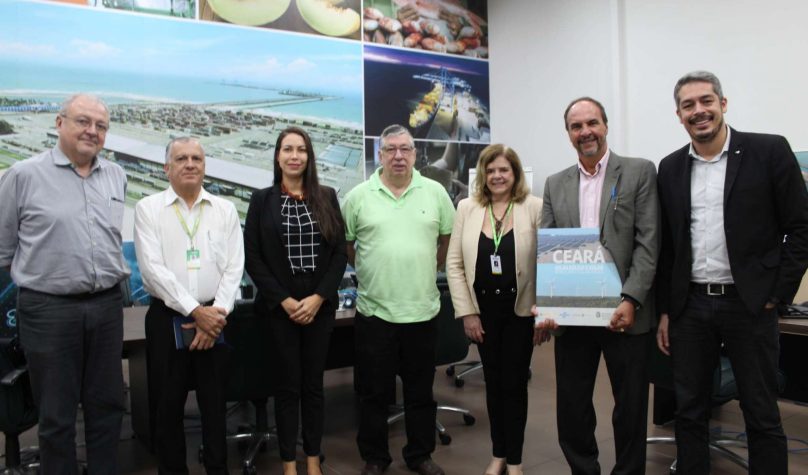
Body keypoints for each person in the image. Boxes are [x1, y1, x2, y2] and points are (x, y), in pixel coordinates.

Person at [655, 71, 808, 475]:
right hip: (691, 307)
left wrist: (777, 293)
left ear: (723, 104)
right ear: (679, 115)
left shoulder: (768, 151)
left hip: (750, 305)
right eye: (689, 105)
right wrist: (668, 310)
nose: (698, 111)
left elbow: (801, 227)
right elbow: (669, 247)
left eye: (706, 100)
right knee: (689, 410)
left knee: (760, 410)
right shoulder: (670, 168)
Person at [0, 93, 128, 474]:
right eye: (83, 121)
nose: (92, 131)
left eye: (100, 126)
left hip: (106, 307)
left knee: (107, 407)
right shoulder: (23, 175)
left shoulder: (116, 176)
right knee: (56, 416)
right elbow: (4, 249)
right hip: (48, 310)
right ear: (60, 123)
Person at [537, 97, 659, 475]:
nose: (585, 131)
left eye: (592, 123)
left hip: (626, 312)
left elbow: (648, 241)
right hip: (574, 314)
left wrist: (632, 298)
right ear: (569, 134)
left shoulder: (639, 172)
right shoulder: (556, 184)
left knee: (631, 405)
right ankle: (583, 470)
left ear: (605, 126)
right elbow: (549, 247)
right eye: (576, 126)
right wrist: (548, 306)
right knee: (572, 406)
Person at [342, 124, 455, 475]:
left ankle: (420, 454)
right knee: (373, 393)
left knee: (421, 392)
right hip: (375, 313)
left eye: (405, 149)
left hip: (421, 312)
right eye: (390, 149)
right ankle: (375, 458)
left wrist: (419, 266)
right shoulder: (358, 196)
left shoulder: (435, 192)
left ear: (415, 152)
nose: (398, 156)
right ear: (380, 155)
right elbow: (349, 249)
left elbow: (445, 243)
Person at [134, 137, 244, 474]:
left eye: (196, 158)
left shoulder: (224, 210)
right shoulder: (148, 208)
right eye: (181, 158)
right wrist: (195, 312)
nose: (190, 164)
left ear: (205, 166)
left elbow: (234, 268)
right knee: (167, 410)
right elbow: (152, 270)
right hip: (169, 319)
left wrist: (215, 315)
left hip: (216, 319)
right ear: (167, 168)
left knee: (215, 408)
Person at [243, 126, 346, 475]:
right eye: (287, 149)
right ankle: (289, 464)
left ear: (309, 156)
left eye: (301, 150)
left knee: (313, 387)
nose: (294, 156)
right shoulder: (262, 201)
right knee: (287, 388)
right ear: (277, 156)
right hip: (279, 308)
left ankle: (313, 461)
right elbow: (253, 257)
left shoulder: (327, 196)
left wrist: (318, 298)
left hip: (319, 304)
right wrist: (285, 301)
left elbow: (338, 256)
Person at [445, 144, 543, 475]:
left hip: (520, 312)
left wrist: (543, 307)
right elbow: (454, 264)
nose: (497, 176)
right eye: (491, 170)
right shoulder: (467, 207)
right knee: (493, 382)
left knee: (514, 386)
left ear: (515, 174)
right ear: (482, 176)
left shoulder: (534, 208)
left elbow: (548, 261)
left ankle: (514, 460)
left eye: (504, 170)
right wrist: (467, 312)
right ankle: (498, 453)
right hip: (483, 312)